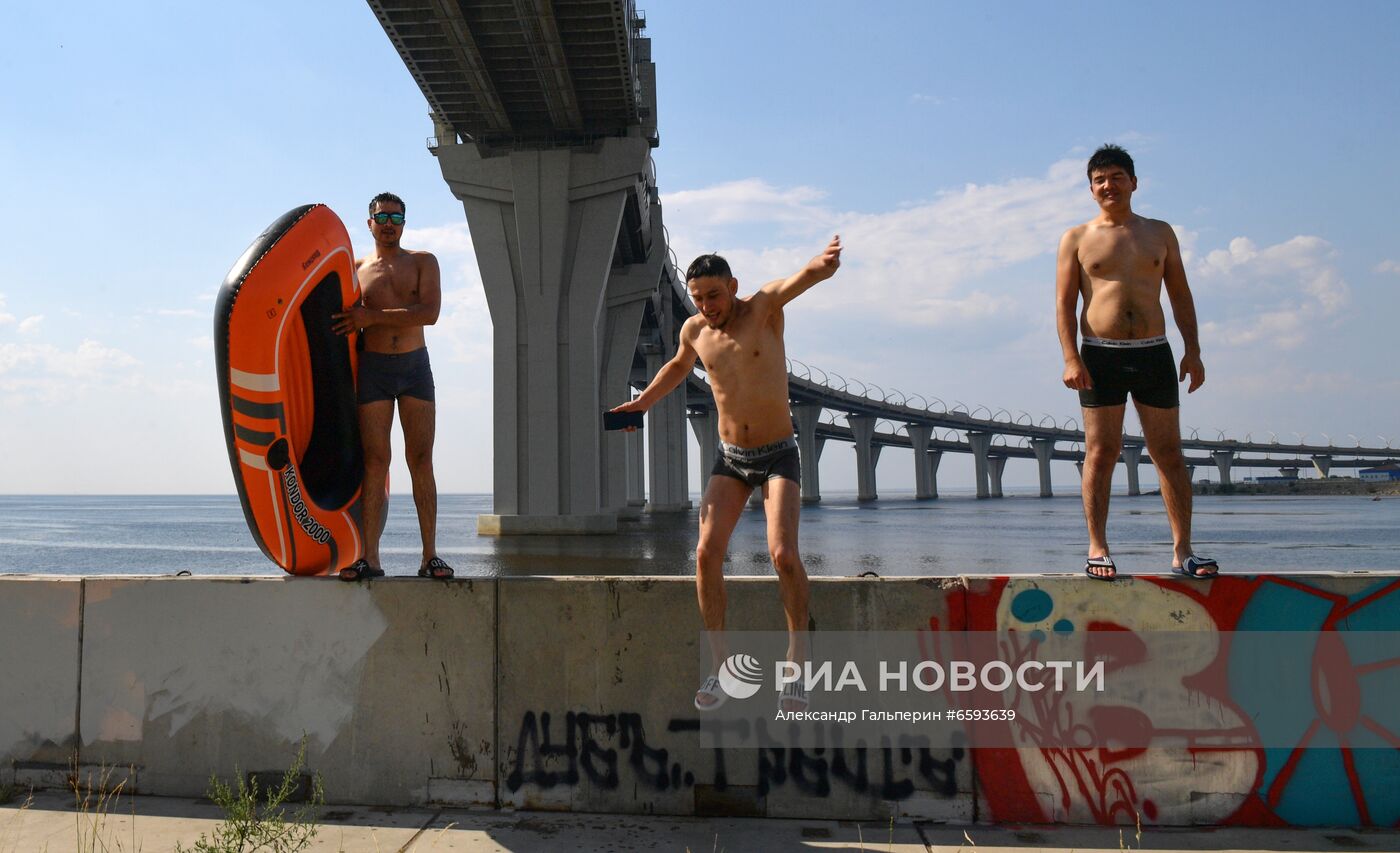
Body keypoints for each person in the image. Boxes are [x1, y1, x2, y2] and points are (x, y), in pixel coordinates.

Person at [611, 237, 842, 712]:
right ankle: (720, 667)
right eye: (697, 298)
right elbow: (677, 367)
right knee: (705, 554)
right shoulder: (695, 330)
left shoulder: (763, 309)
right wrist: (643, 402)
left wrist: (820, 266)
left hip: (779, 453)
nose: (706, 306)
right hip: (732, 457)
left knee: (782, 555)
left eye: (713, 295)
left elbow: (801, 280)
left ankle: (797, 663)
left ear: (732, 286)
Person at [1056, 145, 1218, 581]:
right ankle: (1098, 547)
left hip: (1153, 352)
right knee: (1101, 452)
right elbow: (1064, 304)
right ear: (1091, 189)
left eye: (1116, 177)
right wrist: (1071, 357)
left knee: (1168, 453)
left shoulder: (1159, 233)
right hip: (1100, 356)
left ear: (1133, 182)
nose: (1108, 185)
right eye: (1100, 180)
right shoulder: (1076, 238)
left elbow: (1180, 294)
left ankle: (1182, 550)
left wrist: (1193, 350)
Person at [332, 192, 453, 581]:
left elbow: (429, 313)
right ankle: (369, 558)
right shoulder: (355, 269)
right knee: (374, 462)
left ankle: (430, 556)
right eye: (381, 216)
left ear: (404, 222)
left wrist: (371, 316)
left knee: (420, 459)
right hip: (373, 369)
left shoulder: (423, 262)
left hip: (415, 367)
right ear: (369, 223)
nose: (389, 223)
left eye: (396, 216)